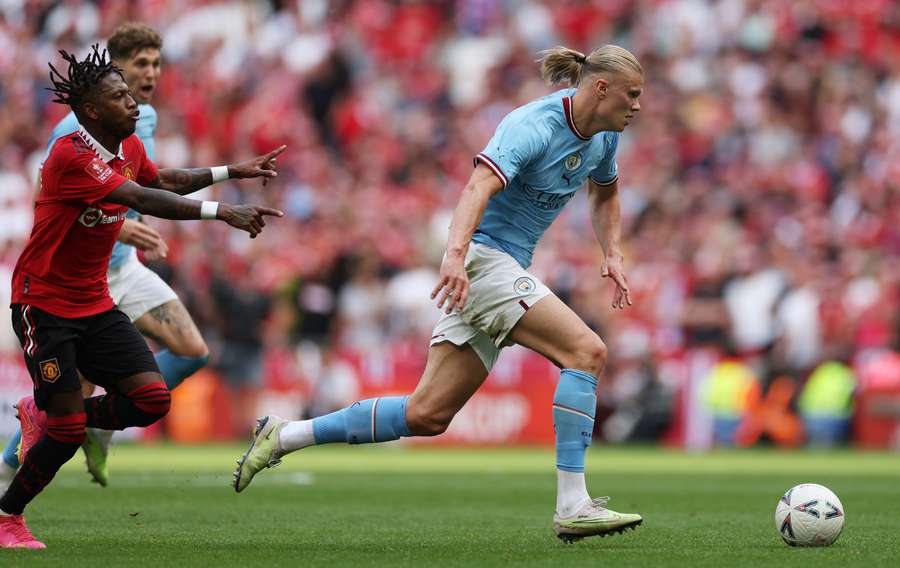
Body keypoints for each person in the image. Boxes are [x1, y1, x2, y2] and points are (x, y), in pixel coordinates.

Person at [233, 44, 645, 542]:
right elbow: (476, 188)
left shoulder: (603, 137)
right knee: (587, 350)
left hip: (498, 267)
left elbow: (605, 191)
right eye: (633, 94)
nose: (638, 106)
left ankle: (285, 434)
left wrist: (613, 251)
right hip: (481, 260)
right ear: (601, 88)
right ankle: (573, 503)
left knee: (427, 414)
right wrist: (454, 256)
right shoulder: (531, 125)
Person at [0, 45, 284, 548]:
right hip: (43, 304)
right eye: (120, 96)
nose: (133, 103)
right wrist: (224, 212)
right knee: (66, 436)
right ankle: (8, 517)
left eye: (131, 94)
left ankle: (47, 414)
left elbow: (163, 179)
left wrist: (231, 172)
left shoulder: (126, 148)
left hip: (93, 301)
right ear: (90, 111)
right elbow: (141, 198)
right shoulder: (73, 154)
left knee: (151, 400)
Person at [0, 23, 209, 489]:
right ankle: (13, 468)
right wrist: (119, 219)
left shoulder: (142, 120)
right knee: (65, 410)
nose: (151, 74)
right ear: (115, 69)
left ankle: (90, 423)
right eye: (141, 65)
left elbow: (151, 181)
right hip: (67, 278)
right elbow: (51, 195)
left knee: (193, 351)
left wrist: (228, 173)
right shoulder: (73, 130)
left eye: (157, 64)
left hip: (117, 270)